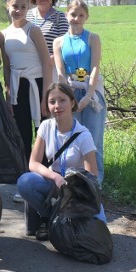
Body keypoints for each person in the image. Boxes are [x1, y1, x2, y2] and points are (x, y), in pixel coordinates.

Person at [17, 82, 105, 241]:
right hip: (54, 184)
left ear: (72, 102)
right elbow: (33, 163)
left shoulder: (84, 135)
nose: (57, 106)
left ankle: (61, 218)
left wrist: (71, 185)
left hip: (76, 189)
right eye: (52, 102)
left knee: (99, 226)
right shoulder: (45, 127)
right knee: (25, 181)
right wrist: (55, 177)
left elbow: (92, 175)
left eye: (62, 100)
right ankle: (50, 217)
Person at [0, 0, 52, 202]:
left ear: (27, 8)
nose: (18, 10)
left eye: (22, 6)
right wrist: (9, 94)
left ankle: (46, 181)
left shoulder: (34, 30)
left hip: (37, 85)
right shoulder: (3, 34)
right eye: (15, 6)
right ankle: (26, 182)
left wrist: (46, 95)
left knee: (43, 133)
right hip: (17, 87)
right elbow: (7, 66)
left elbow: (46, 63)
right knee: (22, 137)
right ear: (7, 6)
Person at [52, 0, 106, 185]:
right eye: (73, 14)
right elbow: (60, 72)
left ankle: (95, 183)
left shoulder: (93, 38)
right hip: (71, 93)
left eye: (81, 15)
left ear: (86, 17)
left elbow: (95, 68)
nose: (76, 18)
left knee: (93, 139)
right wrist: (66, 97)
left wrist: (90, 95)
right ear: (66, 15)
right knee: (71, 137)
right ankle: (73, 182)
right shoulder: (59, 42)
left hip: (91, 94)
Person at [26, 0, 69, 81]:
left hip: (52, 71)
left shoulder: (60, 17)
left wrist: (48, 61)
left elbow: (65, 47)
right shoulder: (26, 16)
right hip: (29, 71)